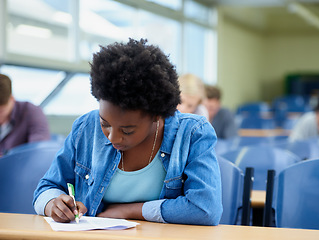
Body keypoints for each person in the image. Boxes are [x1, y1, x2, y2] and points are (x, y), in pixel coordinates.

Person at [33, 39, 222, 226]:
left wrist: (131, 211)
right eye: (105, 123)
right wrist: (53, 204)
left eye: (127, 130)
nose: (113, 137)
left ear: (156, 116)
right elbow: (47, 187)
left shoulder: (192, 133)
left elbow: (205, 209)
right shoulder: (86, 127)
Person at [0, 74, 50, 156]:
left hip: (20, 166)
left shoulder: (31, 112)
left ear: (12, 99)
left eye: (1, 111)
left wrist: (7, 157)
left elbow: (39, 151)